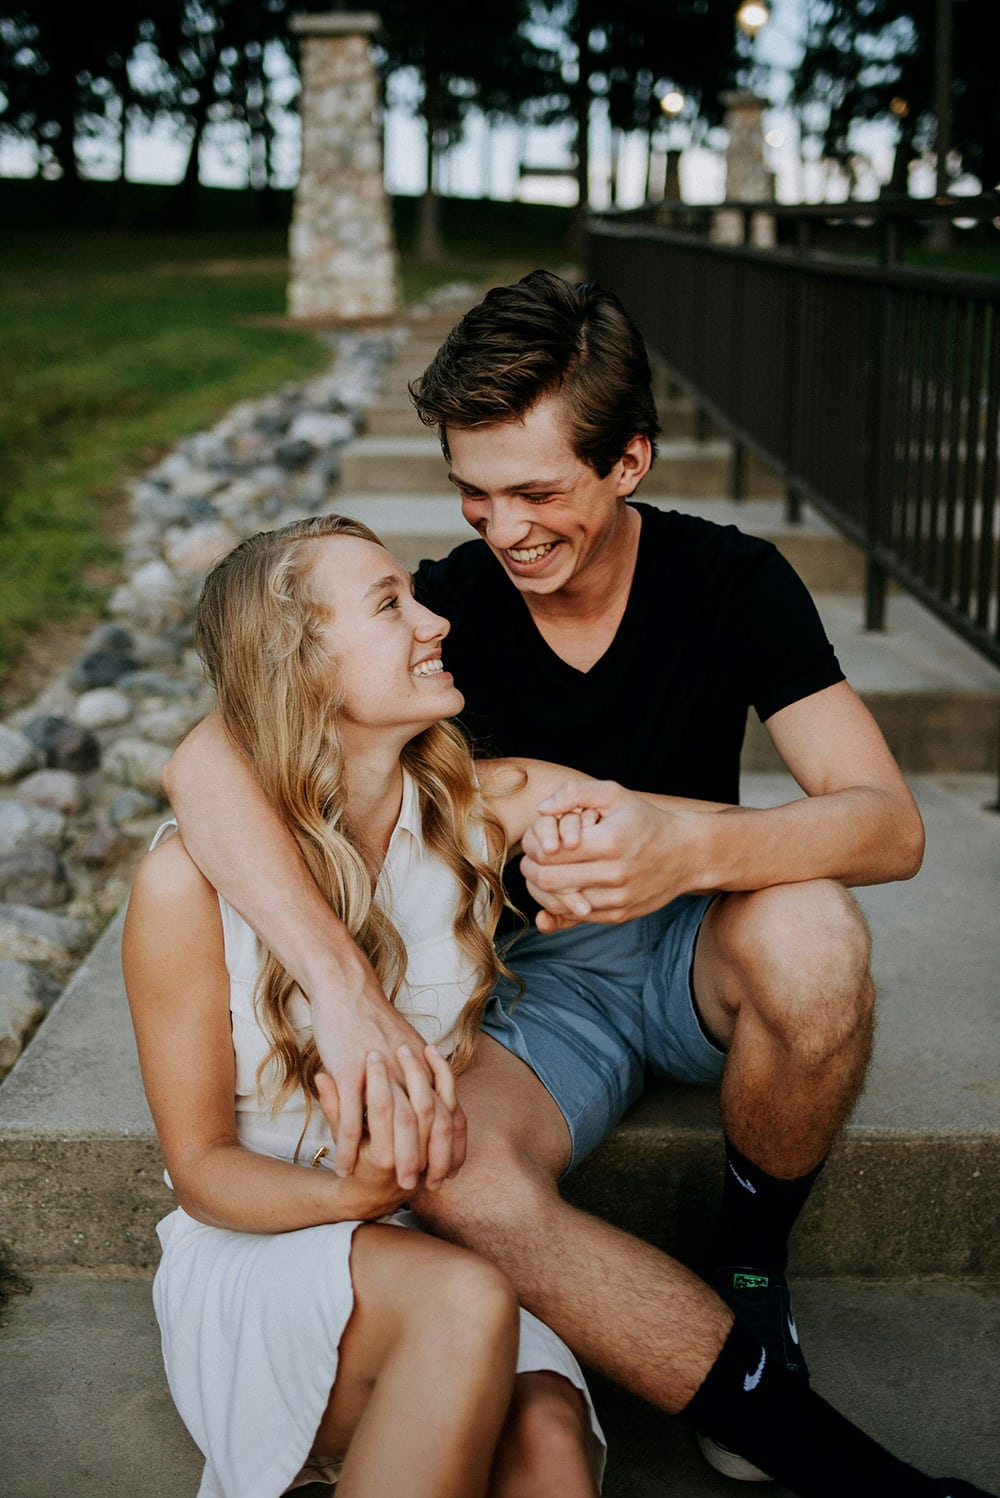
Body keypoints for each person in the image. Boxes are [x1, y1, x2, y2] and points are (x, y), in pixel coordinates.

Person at [163, 274, 994, 1497]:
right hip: (525, 989)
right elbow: (202, 759)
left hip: (698, 942)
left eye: (539, 491)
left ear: (630, 461)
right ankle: (814, 1446)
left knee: (815, 931)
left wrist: (686, 845)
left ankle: (752, 1281)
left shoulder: (734, 581)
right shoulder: (442, 611)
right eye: (475, 493)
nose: (504, 530)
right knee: (460, 1175)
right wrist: (342, 988)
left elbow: (885, 826)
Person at [123, 513, 607, 1498]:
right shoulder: (184, 883)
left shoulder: (476, 816)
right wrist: (357, 1195)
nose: (434, 620)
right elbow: (203, 1168)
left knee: (553, 1442)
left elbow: (685, 832)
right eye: (391, 604)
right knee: (467, 1297)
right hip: (260, 1254)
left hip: (424, 1249)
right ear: (298, 664)